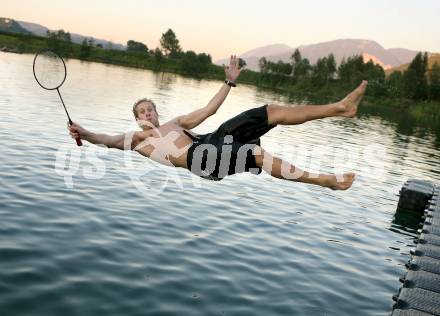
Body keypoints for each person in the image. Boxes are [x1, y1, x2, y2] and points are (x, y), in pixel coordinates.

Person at [68, 55, 368, 190]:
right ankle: (324, 180)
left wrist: (229, 82)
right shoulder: (137, 139)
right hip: (199, 160)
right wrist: (85, 132)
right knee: (255, 154)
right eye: (142, 112)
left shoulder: (177, 123)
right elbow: (105, 140)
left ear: (156, 112)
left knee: (269, 111)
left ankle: (339, 108)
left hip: (207, 142)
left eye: (150, 110)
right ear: (137, 119)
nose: (147, 114)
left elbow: (210, 110)